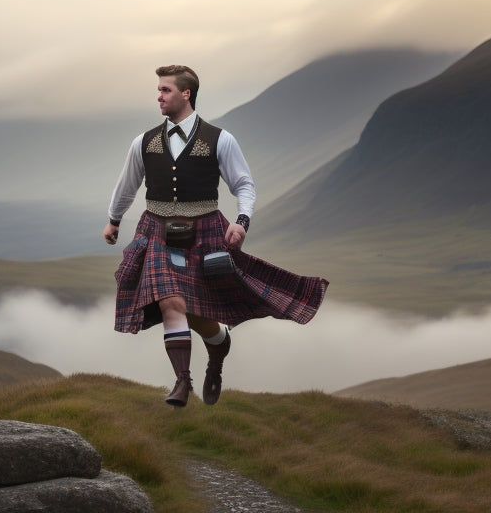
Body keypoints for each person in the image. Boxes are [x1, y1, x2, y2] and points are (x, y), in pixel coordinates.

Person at [103, 65, 328, 407]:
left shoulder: (220, 139)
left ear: (185, 94)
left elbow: (244, 185)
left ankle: (218, 341)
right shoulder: (144, 142)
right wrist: (114, 219)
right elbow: (127, 185)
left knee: (190, 306)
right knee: (170, 300)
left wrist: (241, 221)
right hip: (156, 231)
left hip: (206, 230)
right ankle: (182, 382)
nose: (159, 96)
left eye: (165, 90)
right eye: (159, 89)